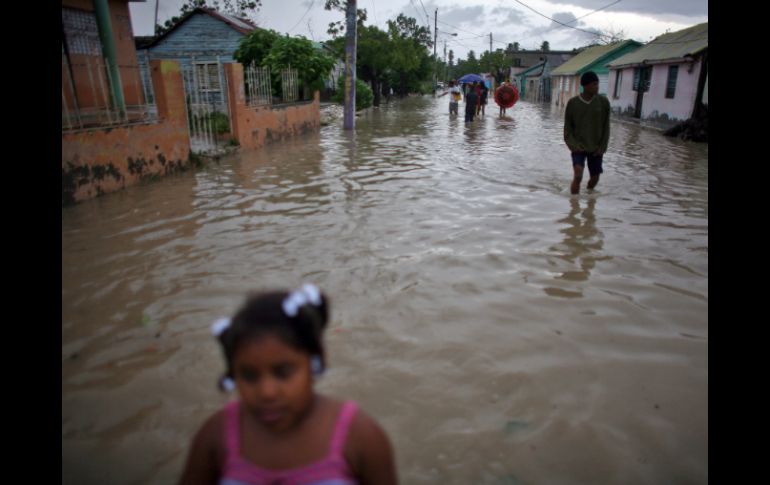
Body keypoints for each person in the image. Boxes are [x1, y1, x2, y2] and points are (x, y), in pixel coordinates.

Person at [179, 284, 397, 485]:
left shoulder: (359, 437)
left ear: (315, 360)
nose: (267, 392)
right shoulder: (216, 437)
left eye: (283, 372)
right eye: (249, 375)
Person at [563, 71, 610, 195]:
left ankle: (589, 198)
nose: (597, 87)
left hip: (596, 147)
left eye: (597, 84)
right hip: (578, 146)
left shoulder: (603, 102)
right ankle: (573, 206)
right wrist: (573, 145)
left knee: (595, 179)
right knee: (578, 175)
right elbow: (567, 128)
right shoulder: (573, 103)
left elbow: (606, 127)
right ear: (586, 86)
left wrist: (602, 147)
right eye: (594, 84)